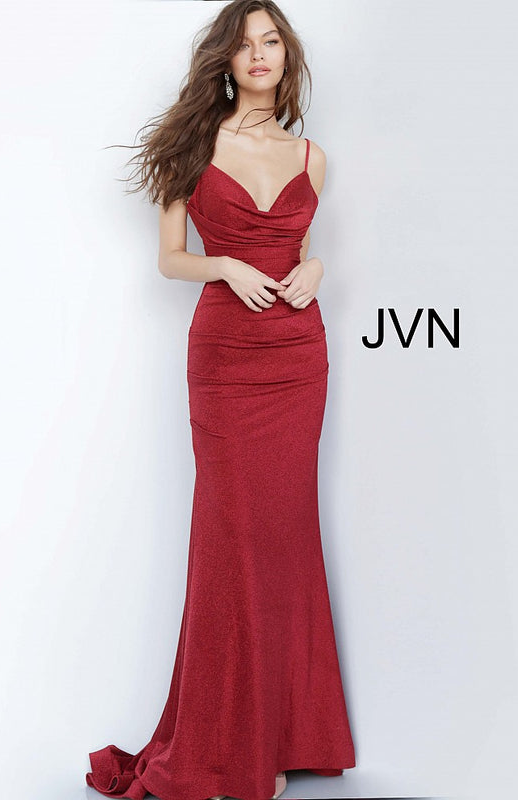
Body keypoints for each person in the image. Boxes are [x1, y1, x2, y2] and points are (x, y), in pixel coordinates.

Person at [85, 1, 356, 798]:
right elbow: (170, 258)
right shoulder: (193, 145)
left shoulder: (311, 158)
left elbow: (300, 249)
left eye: (270, 41)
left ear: (286, 56)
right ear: (226, 62)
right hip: (227, 360)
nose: (258, 54)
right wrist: (225, 266)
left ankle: (280, 736)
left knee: (284, 537)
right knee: (232, 538)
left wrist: (316, 271)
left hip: (298, 358)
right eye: (243, 44)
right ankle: (229, 747)